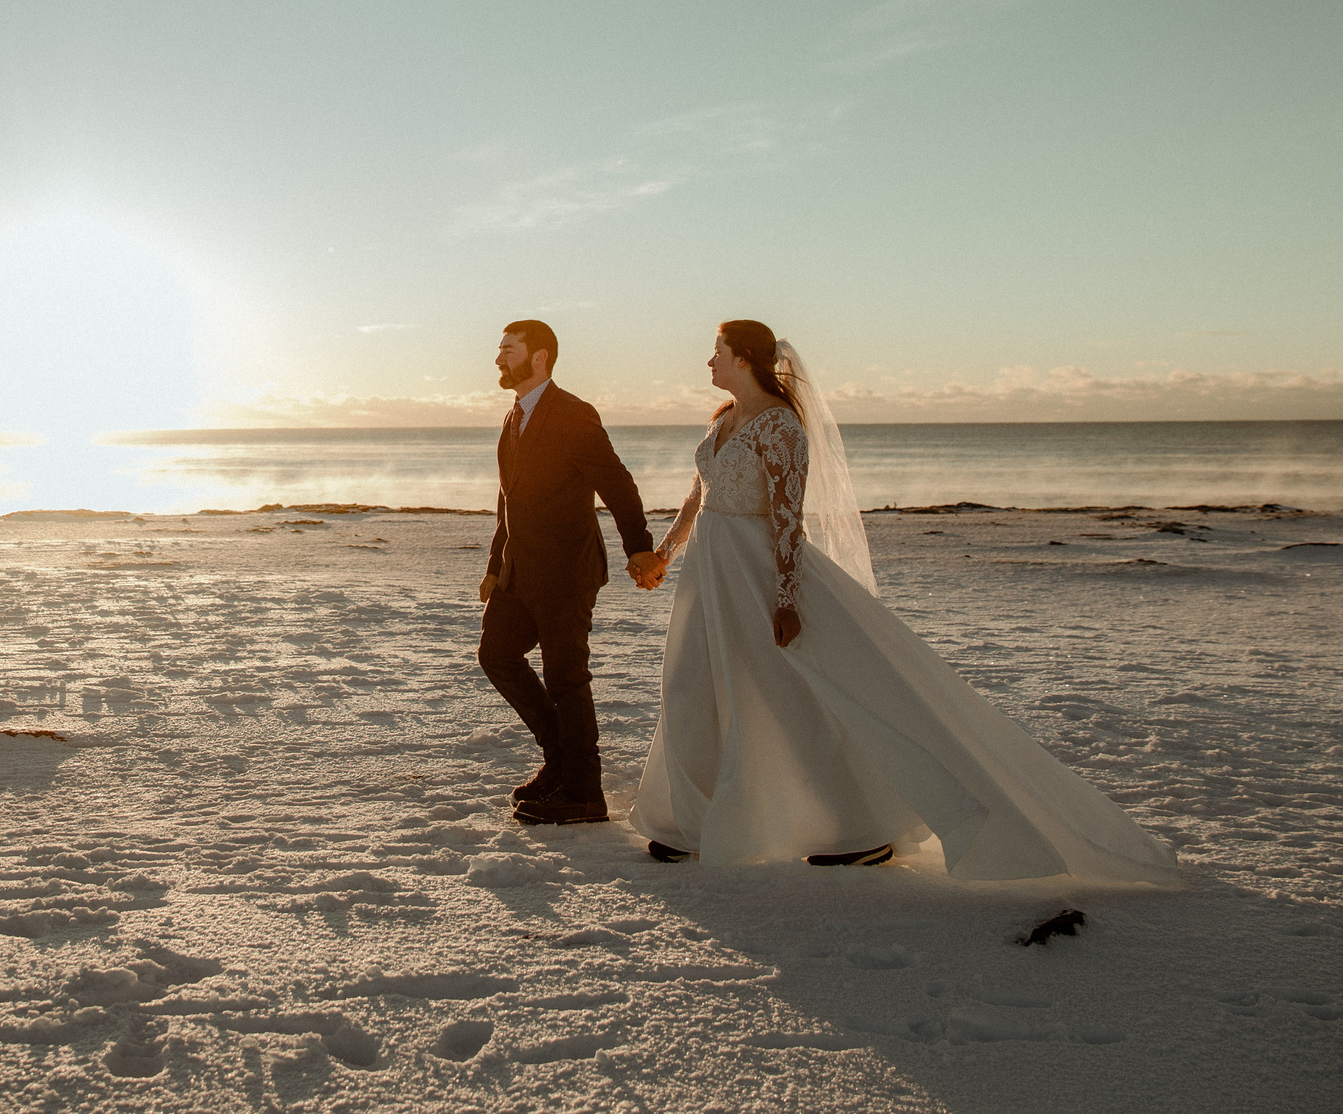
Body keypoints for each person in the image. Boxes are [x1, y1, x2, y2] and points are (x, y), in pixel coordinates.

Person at [629, 320, 1181, 883]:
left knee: (782, 697)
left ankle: (858, 829)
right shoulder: (723, 419)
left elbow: (789, 520)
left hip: (757, 575)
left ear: (744, 358)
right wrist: (666, 553)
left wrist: (789, 598)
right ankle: (689, 825)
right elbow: (703, 491)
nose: (708, 362)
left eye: (716, 351)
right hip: (709, 572)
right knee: (694, 684)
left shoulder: (781, 427)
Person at [480, 319, 662, 826]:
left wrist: (639, 548)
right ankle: (560, 759)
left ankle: (584, 794)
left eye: (508, 350)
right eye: (499, 349)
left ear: (539, 357)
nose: (498, 359)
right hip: (519, 572)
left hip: (565, 571)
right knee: (496, 654)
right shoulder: (513, 415)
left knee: (566, 679)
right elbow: (507, 498)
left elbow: (616, 482)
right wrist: (496, 566)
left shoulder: (573, 413)